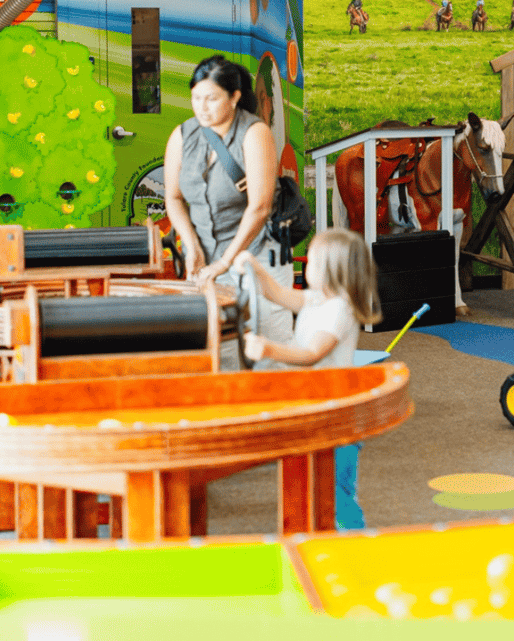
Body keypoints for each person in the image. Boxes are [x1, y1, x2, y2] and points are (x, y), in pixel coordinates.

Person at [235, 228, 382, 529]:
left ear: (332, 272)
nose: (306, 266)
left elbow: (313, 353)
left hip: (338, 416)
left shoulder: (339, 309)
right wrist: (255, 267)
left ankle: (354, 541)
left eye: (313, 261)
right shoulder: (317, 298)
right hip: (317, 408)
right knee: (310, 482)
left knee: (337, 491)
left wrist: (269, 349)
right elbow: (276, 294)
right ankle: (318, 535)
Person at [164, 54, 292, 364]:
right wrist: (191, 244)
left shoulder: (254, 132)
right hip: (206, 260)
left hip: (257, 256)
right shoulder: (183, 134)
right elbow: (173, 198)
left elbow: (260, 207)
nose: (202, 107)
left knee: (267, 350)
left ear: (234, 97)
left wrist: (224, 262)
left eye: (211, 98)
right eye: (196, 98)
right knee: (219, 347)